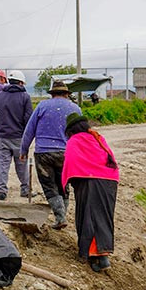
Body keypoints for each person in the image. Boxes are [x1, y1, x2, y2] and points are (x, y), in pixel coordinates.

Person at [62, 113, 119, 273]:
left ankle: (96, 257)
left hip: (89, 181)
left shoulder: (74, 141)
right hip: (110, 181)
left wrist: (68, 183)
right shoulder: (98, 137)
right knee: (103, 216)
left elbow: (71, 163)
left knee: (89, 217)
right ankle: (103, 254)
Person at [20, 81, 81, 229]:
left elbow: (30, 129)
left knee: (49, 185)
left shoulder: (42, 106)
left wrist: (24, 149)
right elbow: (80, 134)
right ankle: (61, 216)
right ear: (67, 94)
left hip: (44, 153)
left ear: (52, 94)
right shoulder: (75, 109)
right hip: (66, 153)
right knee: (63, 185)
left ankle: (60, 218)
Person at [0, 70, 32, 200]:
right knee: (21, 165)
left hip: (2, 137)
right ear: (20, 82)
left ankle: (2, 190)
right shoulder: (25, 97)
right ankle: (25, 189)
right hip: (19, 137)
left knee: (3, 165)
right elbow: (28, 118)